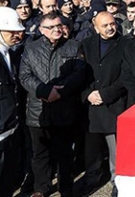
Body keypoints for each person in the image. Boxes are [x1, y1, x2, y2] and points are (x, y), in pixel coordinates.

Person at [20, 12, 86, 197]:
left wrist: (60, 91)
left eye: (59, 25)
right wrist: (43, 91)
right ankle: (42, 188)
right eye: (51, 27)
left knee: (64, 154)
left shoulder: (73, 46)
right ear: (42, 30)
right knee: (40, 154)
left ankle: (66, 189)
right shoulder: (31, 48)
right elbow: (25, 75)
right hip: (38, 110)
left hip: (64, 108)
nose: (57, 29)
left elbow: (79, 73)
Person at [79, 12, 126, 197]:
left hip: (113, 104)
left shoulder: (125, 44)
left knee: (115, 149)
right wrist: (87, 93)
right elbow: (80, 73)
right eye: (105, 25)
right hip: (90, 106)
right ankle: (92, 178)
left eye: (112, 24)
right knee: (91, 150)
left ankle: (117, 181)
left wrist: (105, 94)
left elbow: (126, 76)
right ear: (95, 26)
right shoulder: (86, 44)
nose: (110, 28)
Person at [0, 8, 25, 197]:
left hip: (11, 129)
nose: (18, 35)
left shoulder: (10, 54)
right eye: (12, 32)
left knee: (6, 182)